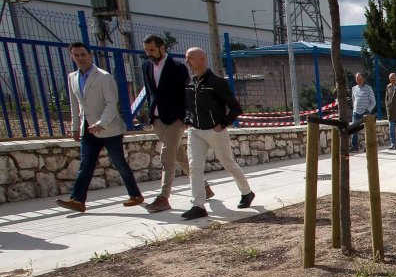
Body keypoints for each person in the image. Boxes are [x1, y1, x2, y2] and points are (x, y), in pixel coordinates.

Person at [56, 42, 144, 213]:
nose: (80, 58)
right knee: (86, 164)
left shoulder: (104, 77)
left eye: (83, 54)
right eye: (76, 55)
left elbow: (112, 104)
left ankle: (135, 194)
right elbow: (75, 105)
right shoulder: (72, 77)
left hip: (109, 129)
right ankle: (77, 200)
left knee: (118, 163)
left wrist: (101, 124)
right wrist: (75, 127)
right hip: (88, 129)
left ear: (90, 55)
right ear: (72, 57)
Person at [180, 48, 254, 220]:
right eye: (186, 58)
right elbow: (187, 106)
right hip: (195, 131)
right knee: (194, 167)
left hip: (215, 130)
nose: (187, 61)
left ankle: (247, 192)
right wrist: (187, 120)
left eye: (190, 58)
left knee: (228, 163)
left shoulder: (217, 82)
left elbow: (236, 108)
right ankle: (198, 205)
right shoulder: (190, 83)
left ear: (202, 58)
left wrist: (223, 124)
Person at [140, 34, 211, 212]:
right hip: (157, 118)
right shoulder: (146, 66)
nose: (149, 53)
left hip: (175, 119)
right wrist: (151, 115)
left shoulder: (178, 67)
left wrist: (186, 117)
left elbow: (186, 93)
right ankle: (204, 187)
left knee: (167, 157)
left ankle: (164, 197)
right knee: (179, 155)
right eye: (146, 50)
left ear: (162, 48)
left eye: (152, 50)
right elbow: (150, 93)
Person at [350, 72, 376, 152]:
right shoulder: (354, 89)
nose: (359, 80)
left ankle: (368, 146)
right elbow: (353, 100)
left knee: (367, 130)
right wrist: (354, 108)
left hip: (366, 113)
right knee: (354, 130)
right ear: (355, 80)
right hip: (356, 112)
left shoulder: (369, 88)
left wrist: (368, 110)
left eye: (360, 79)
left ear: (363, 79)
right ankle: (354, 147)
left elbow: (373, 102)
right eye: (357, 79)